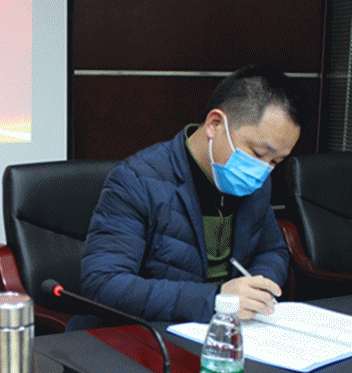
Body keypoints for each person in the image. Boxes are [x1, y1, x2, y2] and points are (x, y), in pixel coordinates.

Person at [80, 65, 307, 323]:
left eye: (275, 161)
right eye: (257, 153)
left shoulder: (257, 184)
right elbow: (103, 284)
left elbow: (273, 250)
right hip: (153, 333)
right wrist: (216, 300)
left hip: (232, 329)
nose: (263, 170)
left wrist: (256, 290)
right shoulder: (138, 180)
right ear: (215, 124)